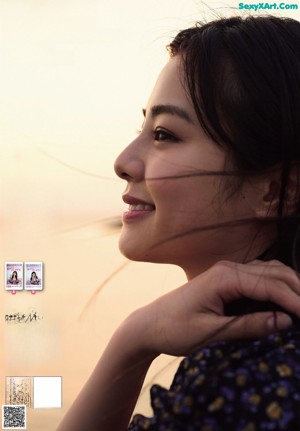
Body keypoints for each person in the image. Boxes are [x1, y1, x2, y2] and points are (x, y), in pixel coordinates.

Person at [57, 15, 300, 431]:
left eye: (165, 134)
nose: (124, 162)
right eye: (143, 127)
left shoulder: (242, 381)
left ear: (275, 191)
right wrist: (136, 337)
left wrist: (130, 343)